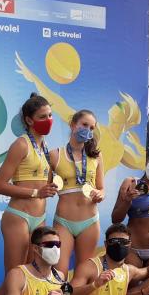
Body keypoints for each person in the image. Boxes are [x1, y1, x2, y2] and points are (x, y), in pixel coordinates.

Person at [0, 93, 59, 273]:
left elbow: (44, 183)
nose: (48, 120)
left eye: (50, 115)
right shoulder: (21, 144)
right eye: (42, 117)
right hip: (18, 217)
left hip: (40, 219)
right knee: (15, 275)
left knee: (31, 277)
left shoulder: (45, 146)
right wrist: (36, 193)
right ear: (29, 120)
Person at [49, 109, 105, 276]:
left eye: (92, 127)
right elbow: (45, 188)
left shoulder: (96, 156)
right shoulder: (54, 155)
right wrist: (50, 188)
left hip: (90, 222)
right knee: (59, 274)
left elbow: (102, 188)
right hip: (63, 222)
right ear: (73, 125)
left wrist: (100, 194)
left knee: (83, 274)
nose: (88, 130)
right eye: (84, 125)